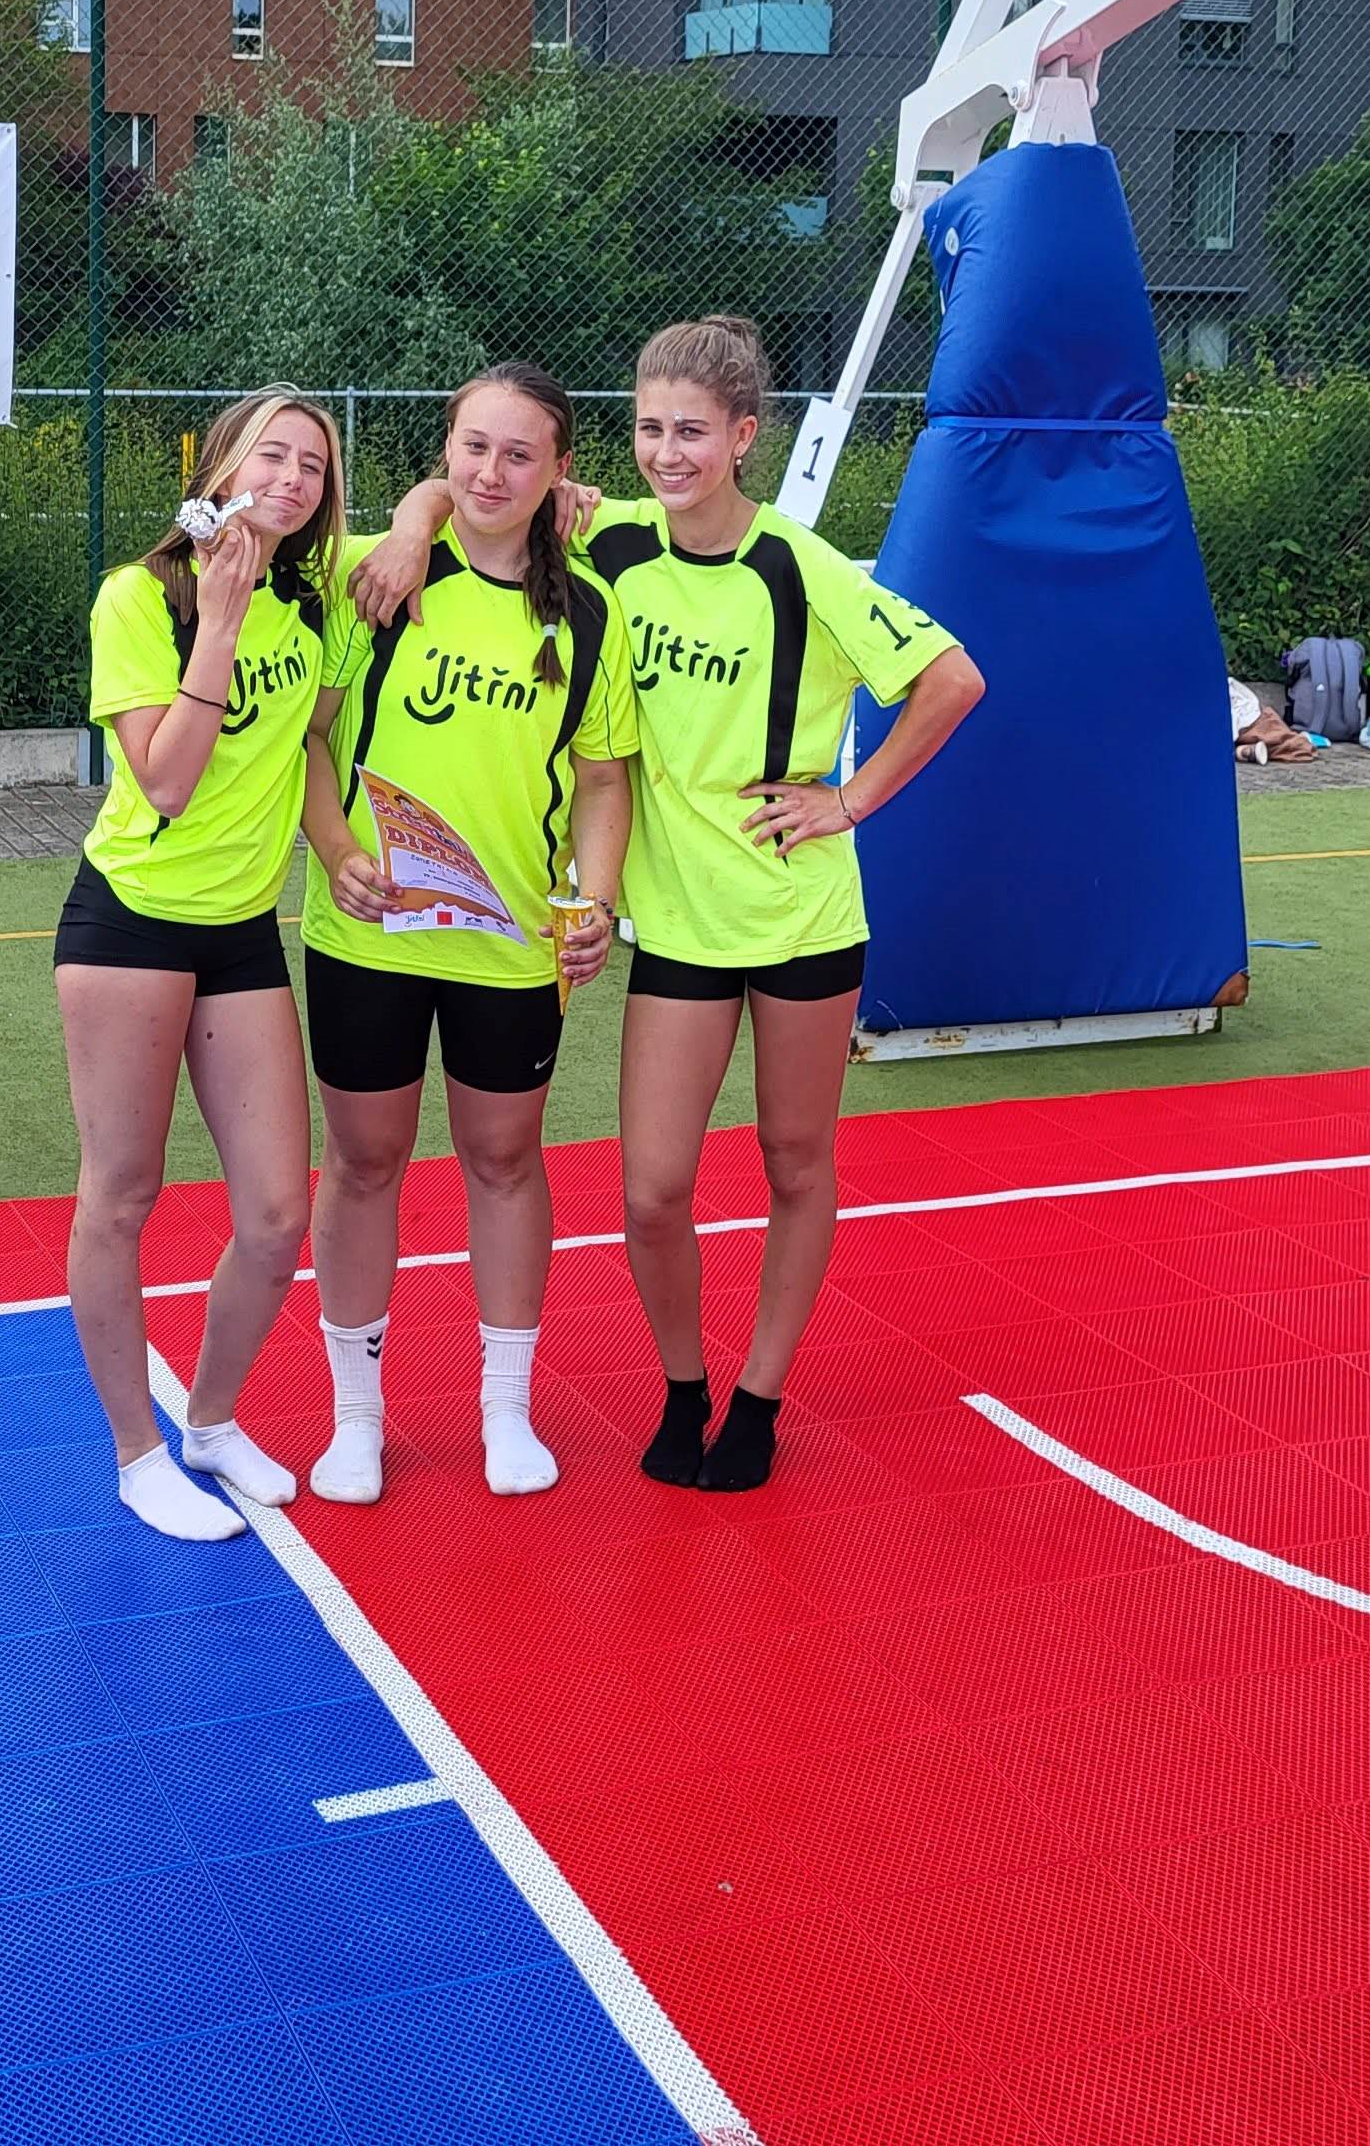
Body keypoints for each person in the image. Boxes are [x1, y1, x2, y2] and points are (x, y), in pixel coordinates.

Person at [361, 314, 979, 1492]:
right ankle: (684, 1383)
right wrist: (404, 524)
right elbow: (467, 490)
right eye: (648, 428)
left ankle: (759, 1398)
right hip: (678, 930)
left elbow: (951, 678)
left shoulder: (802, 566)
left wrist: (848, 800)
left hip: (801, 922)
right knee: (650, 1191)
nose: (665, 452)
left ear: (742, 437)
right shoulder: (611, 539)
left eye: (691, 431)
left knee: (794, 1161)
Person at [296, 363, 637, 1506]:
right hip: (369, 936)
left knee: (503, 1161)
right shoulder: (381, 574)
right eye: (472, 448)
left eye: (519, 454)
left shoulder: (589, 611)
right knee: (363, 1162)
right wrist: (336, 852)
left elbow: (602, 778)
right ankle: (356, 1418)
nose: (491, 473)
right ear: (443, 451)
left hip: (508, 945)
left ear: (560, 472)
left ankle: (505, 1407)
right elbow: (312, 738)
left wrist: (595, 899)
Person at [55, 386, 343, 1541]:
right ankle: (138, 1454)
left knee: (276, 1214)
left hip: (241, 932)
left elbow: (445, 509)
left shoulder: (312, 601)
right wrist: (217, 622)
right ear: (220, 466)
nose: (290, 478)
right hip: (130, 921)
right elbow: (166, 783)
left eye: (313, 466)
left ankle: (212, 1422)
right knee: (121, 1195)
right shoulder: (138, 596)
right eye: (271, 455)